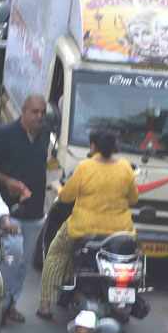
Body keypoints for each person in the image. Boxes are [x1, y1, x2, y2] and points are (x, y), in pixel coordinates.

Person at [37, 130, 138, 319]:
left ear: (93, 147)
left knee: (56, 253)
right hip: (120, 230)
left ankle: (45, 304)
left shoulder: (85, 167)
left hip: (84, 229)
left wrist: (56, 186)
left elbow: (66, 197)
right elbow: (133, 198)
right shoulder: (125, 168)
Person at [0, 93, 50, 323]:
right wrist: (8, 182)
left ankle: (10, 303)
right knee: (12, 254)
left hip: (35, 210)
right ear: (23, 111)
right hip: (9, 210)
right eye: (35, 111)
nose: (39, 117)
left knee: (23, 264)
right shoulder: (5, 134)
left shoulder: (45, 133)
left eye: (42, 112)